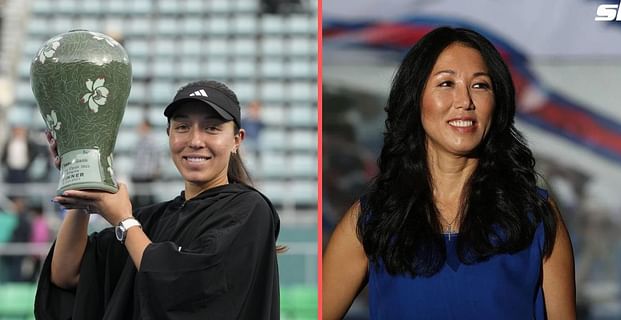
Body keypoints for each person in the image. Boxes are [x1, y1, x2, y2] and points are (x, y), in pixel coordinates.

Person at [323, 27, 576, 319]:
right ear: (415, 98)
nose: (465, 101)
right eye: (446, 84)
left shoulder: (536, 215)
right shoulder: (372, 219)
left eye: (480, 86)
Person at [36, 80, 281, 319]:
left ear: (237, 140)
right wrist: (83, 186)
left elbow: (186, 289)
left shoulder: (250, 210)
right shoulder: (150, 220)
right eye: (182, 127)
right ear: (168, 135)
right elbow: (67, 275)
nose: (195, 141)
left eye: (212, 128)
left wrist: (124, 220)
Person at [130, 118, 163, 208]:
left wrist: (157, 169)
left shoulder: (153, 141)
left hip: (148, 174)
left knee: (149, 197)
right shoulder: (139, 141)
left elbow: (158, 156)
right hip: (138, 173)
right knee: (137, 197)